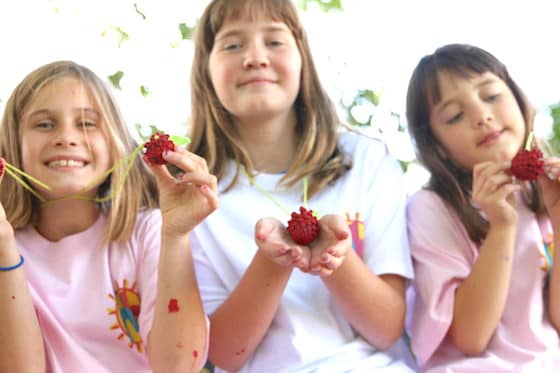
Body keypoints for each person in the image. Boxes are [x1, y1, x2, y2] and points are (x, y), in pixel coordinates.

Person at [187, 0, 416, 372]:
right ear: (205, 70)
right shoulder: (194, 195)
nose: (255, 57)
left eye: (275, 42)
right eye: (232, 45)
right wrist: (272, 261)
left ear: (303, 61)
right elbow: (225, 355)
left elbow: (387, 327)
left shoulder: (367, 162)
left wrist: (335, 259)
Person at [0, 60, 218, 372]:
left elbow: (179, 366)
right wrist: (4, 246)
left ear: (116, 144)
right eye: (45, 124)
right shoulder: (6, 246)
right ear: (11, 145)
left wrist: (177, 235)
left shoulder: (147, 232)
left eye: (87, 123)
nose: (66, 137)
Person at [406, 43, 560, 371]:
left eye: (491, 96)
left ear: (519, 101)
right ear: (439, 147)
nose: (481, 115)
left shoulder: (544, 194)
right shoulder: (431, 208)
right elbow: (470, 338)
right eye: (455, 115)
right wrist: (502, 227)